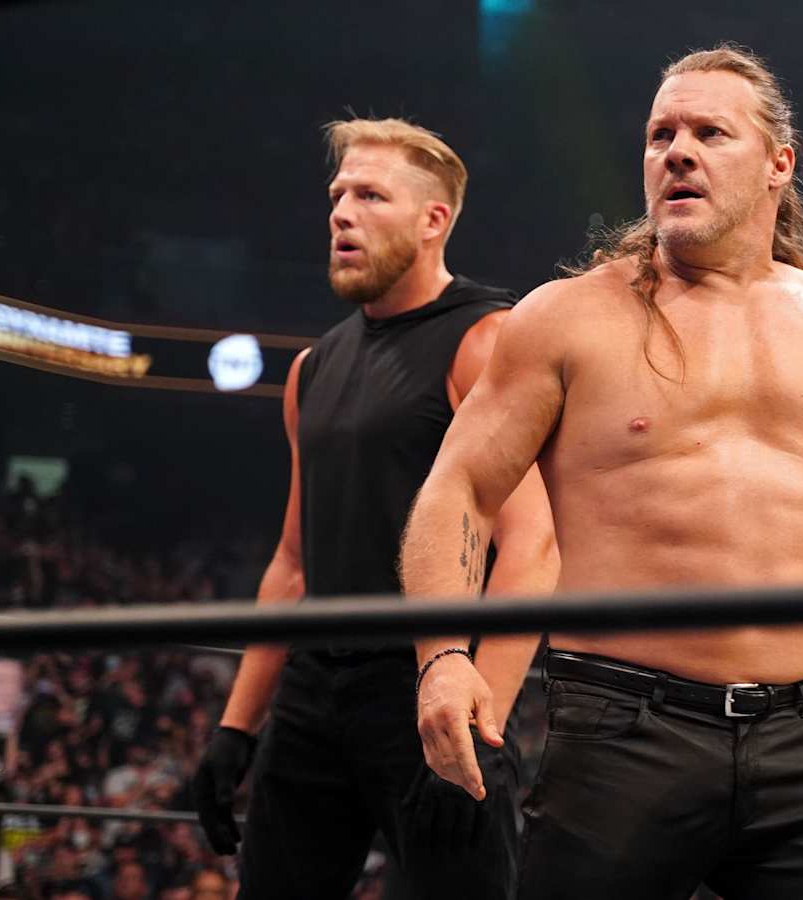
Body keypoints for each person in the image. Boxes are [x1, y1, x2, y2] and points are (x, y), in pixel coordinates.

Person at [401, 45, 803, 899]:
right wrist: (442, 658)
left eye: (709, 133)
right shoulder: (567, 319)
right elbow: (459, 488)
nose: (677, 151)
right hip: (621, 732)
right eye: (660, 135)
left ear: (778, 164)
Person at [191, 117, 557, 899]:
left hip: (428, 681)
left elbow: (532, 546)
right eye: (337, 196)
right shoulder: (312, 367)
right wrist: (235, 727)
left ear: (433, 220)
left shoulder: (484, 341)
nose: (341, 214)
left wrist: (481, 724)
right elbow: (294, 562)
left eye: (370, 196)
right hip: (312, 692)